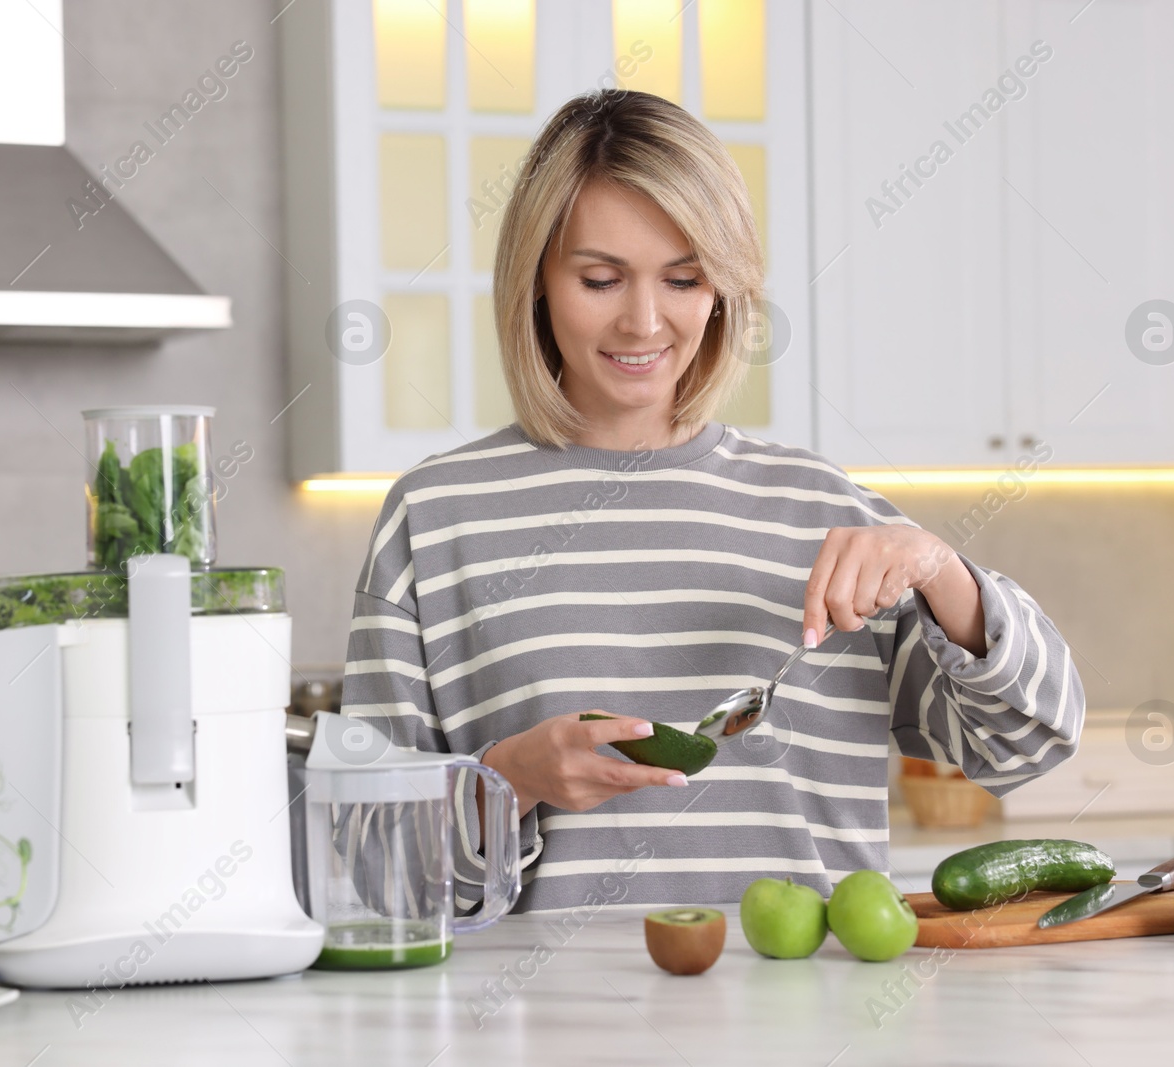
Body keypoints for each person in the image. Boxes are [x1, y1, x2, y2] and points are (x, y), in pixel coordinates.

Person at [341, 90, 1084, 914]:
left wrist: (945, 573)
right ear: (536, 282)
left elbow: (1031, 742)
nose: (643, 321)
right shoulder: (435, 517)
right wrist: (509, 781)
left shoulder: (827, 513)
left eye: (684, 279)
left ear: (723, 291)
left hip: (811, 1029)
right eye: (599, 278)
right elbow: (372, 871)